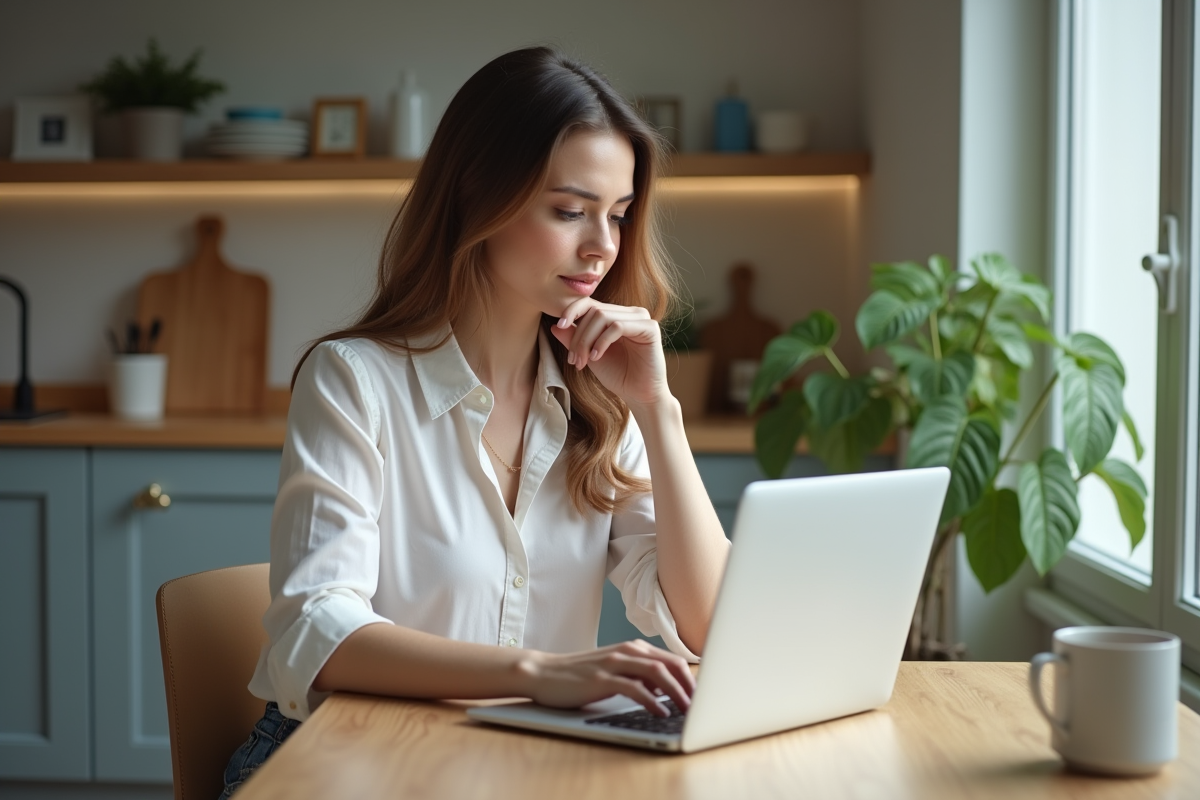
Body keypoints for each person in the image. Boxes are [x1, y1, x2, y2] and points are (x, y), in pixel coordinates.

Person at [218, 46, 730, 797]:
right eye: (569, 211)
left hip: (515, 766)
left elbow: (710, 626)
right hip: (344, 762)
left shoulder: (603, 398)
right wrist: (541, 673)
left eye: (618, 215)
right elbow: (318, 633)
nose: (602, 245)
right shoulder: (354, 380)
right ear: (477, 197)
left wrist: (658, 410)